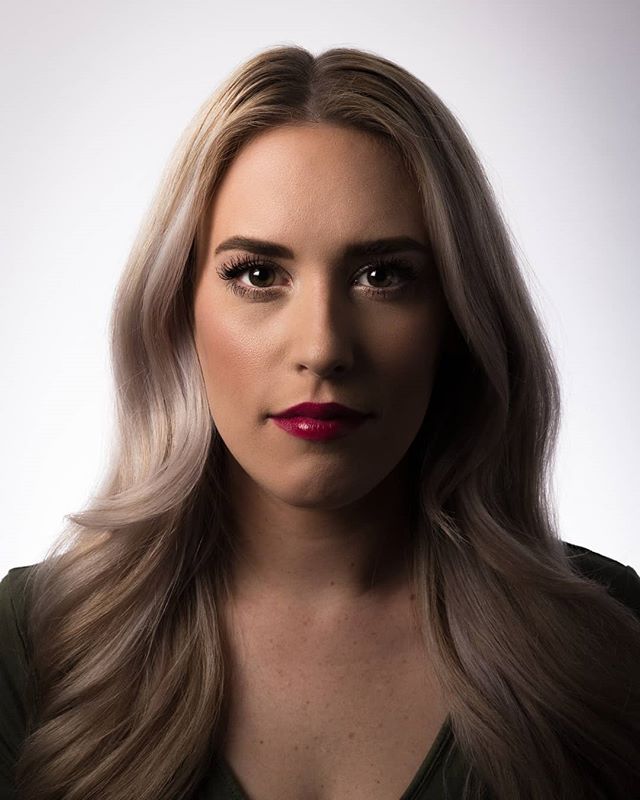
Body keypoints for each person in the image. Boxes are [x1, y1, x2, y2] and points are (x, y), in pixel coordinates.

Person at [1, 44, 639, 800]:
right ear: (177, 313)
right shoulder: (35, 645)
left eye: (382, 276)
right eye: (258, 275)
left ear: (458, 320)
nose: (323, 348)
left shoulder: (608, 641)